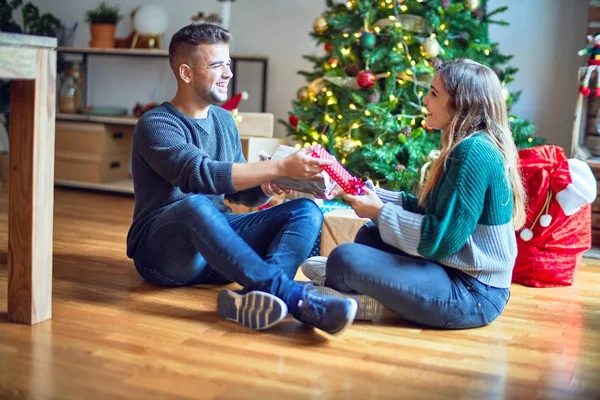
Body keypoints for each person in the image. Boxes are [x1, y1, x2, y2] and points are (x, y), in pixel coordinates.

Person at [126, 23, 357, 335]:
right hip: (166, 255)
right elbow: (200, 175)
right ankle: (294, 298)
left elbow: (239, 194)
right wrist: (280, 167)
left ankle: (253, 299)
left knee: (305, 211)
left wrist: (266, 185)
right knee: (195, 206)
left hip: (217, 246)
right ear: (186, 73)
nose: (228, 73)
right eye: (216, 65)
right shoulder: (156, 124)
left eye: (228, 64)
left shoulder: (223, 120)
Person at [302, 59, 526, 329]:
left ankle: (349, 291)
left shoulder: (473, 153)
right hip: (455, 272)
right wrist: (368, 193)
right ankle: (358, 292)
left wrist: (379, 211)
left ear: (460, 103)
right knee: (370, 235)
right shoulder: (469, 145)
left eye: (433, 93)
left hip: (474, 293)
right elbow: (426, 211)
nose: (424, 99)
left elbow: (441, 239)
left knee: (345, 258)